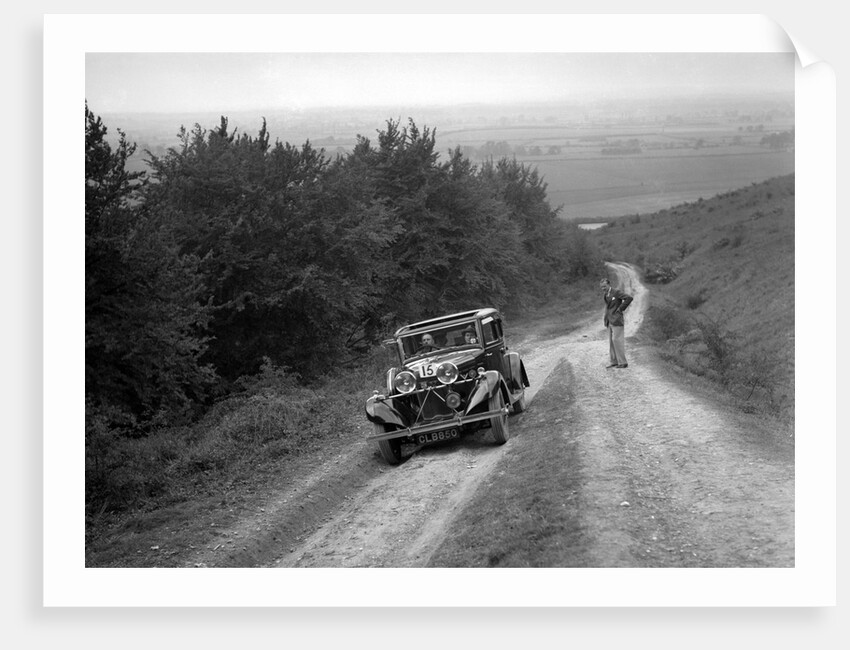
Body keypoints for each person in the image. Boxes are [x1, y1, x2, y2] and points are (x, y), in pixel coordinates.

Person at [600, 277, 633, 368]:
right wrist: (606, 319)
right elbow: (608, 308)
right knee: (611, 341)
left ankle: (623, 362)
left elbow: (629, 298)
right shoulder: (605, 294)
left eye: (605, 286)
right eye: (602, 287)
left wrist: (620, 309)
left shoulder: (616, 292)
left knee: (617, 340)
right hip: (610, 320)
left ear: (609, 284)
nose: (603, 288)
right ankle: (614, 361)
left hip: (617, 320)